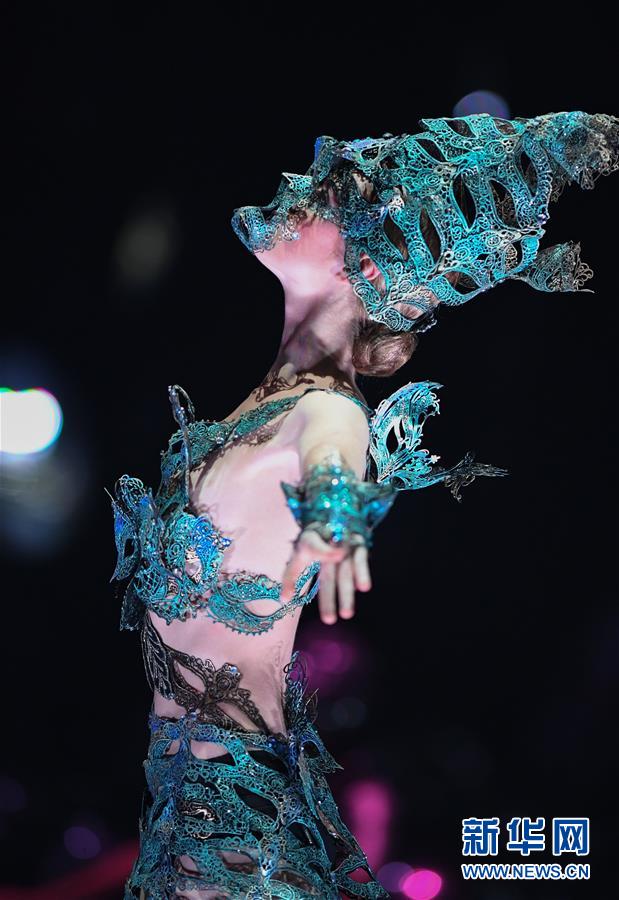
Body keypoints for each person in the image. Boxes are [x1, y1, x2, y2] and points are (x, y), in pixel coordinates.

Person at [109, 110, 619, 899]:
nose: (292, 186)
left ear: (369, 269)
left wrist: (336, 520)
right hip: (185, 815)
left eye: (324, 197)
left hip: (234, 830)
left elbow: (335, 455)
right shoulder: (263, 404)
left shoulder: (327, 408)